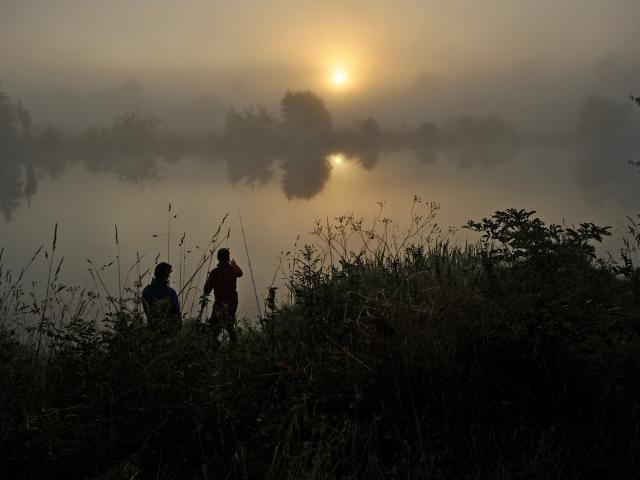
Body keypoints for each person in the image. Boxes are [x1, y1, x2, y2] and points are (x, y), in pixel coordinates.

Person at [203, 248, 243, 346]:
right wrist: (234, 264)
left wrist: (208, 281)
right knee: (229, 326)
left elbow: (206, 291)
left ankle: (213, 346)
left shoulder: (214, 272)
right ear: (228, 257)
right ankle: (235, 346)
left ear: (217, 258)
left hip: (219, 304)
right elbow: (240, 273)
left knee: (214, 328)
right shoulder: (233, 270)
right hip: (233, 303)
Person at [142, 262, 181, 334]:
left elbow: (146, 310)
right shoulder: (171, 293)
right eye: (169, 273)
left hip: (151, 330)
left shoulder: (146, 291)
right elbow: (178, 315)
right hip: (168, 333)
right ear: (167, 275)